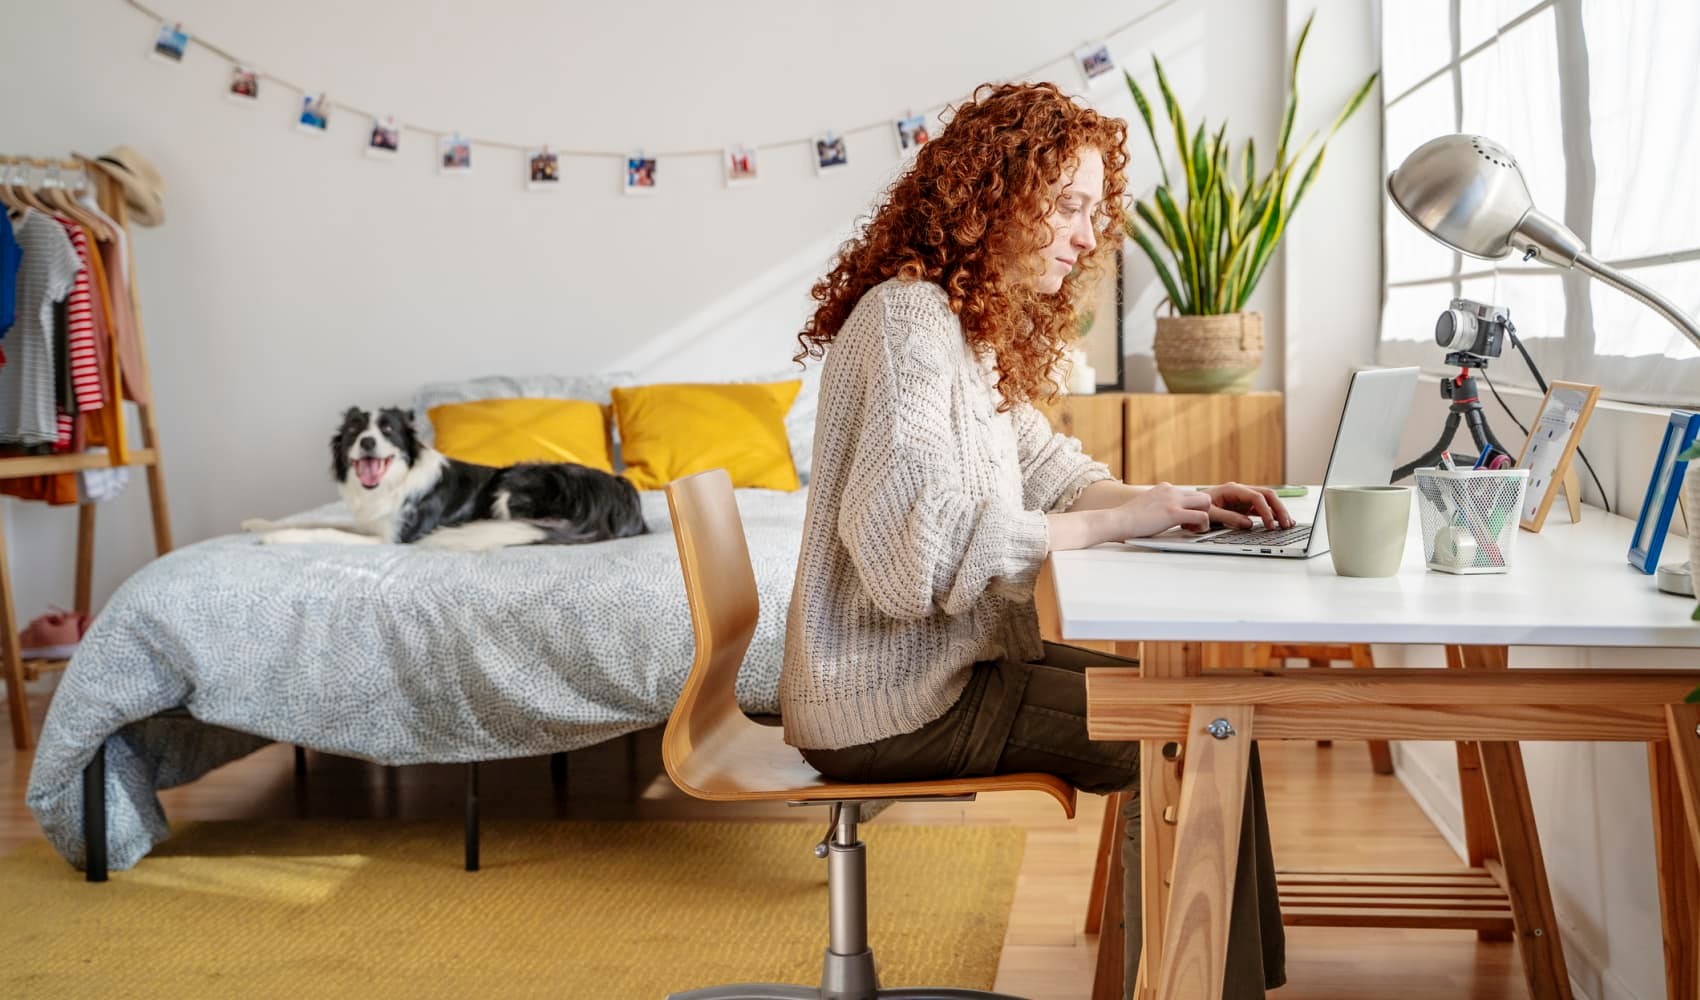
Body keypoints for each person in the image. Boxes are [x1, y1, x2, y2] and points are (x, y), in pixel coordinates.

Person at [780, 81, 1290, 998]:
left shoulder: (956, 329)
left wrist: (1165, 499)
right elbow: (912, 564)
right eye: (1068, 206)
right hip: (891, 701)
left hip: (943, 674)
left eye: (1096, 212)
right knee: (1193, 732)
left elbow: (1046, 466)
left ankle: (1209, 984)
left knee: (1216, 718)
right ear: (993, 196)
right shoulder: (908, 323)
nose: (1089, 236)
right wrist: (1110, 523)